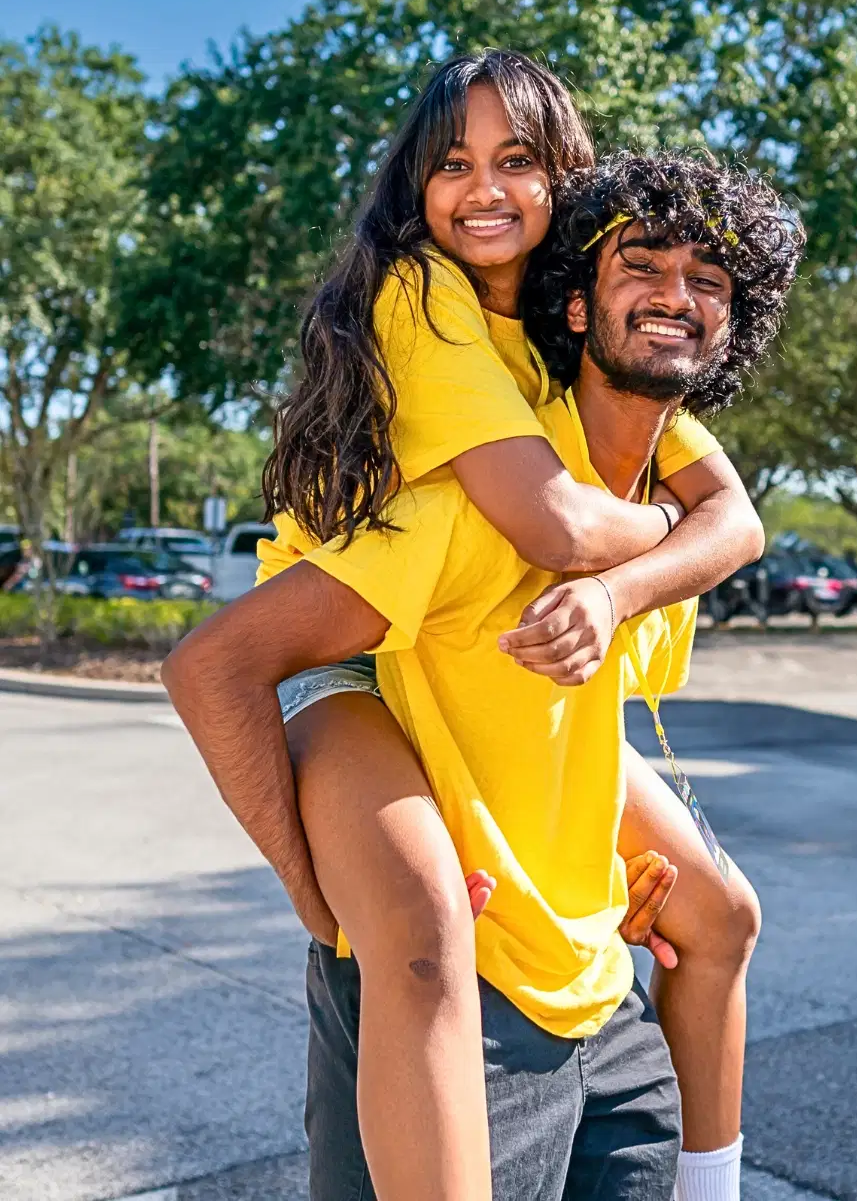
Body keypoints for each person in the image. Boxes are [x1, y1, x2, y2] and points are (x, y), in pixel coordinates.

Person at [164, 138, 803, 1199]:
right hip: (349, 684)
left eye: (707, 280)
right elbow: (215, 664)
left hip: (586, 981)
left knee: (721, 911)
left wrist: (615, 591)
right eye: (639, 264)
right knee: (416, 926)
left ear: (734, 326)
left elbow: (735, 524)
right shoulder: (469, 476)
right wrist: (313, 886)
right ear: (576, 307)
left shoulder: (667, 501)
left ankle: (713, 1180)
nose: (672, 294)